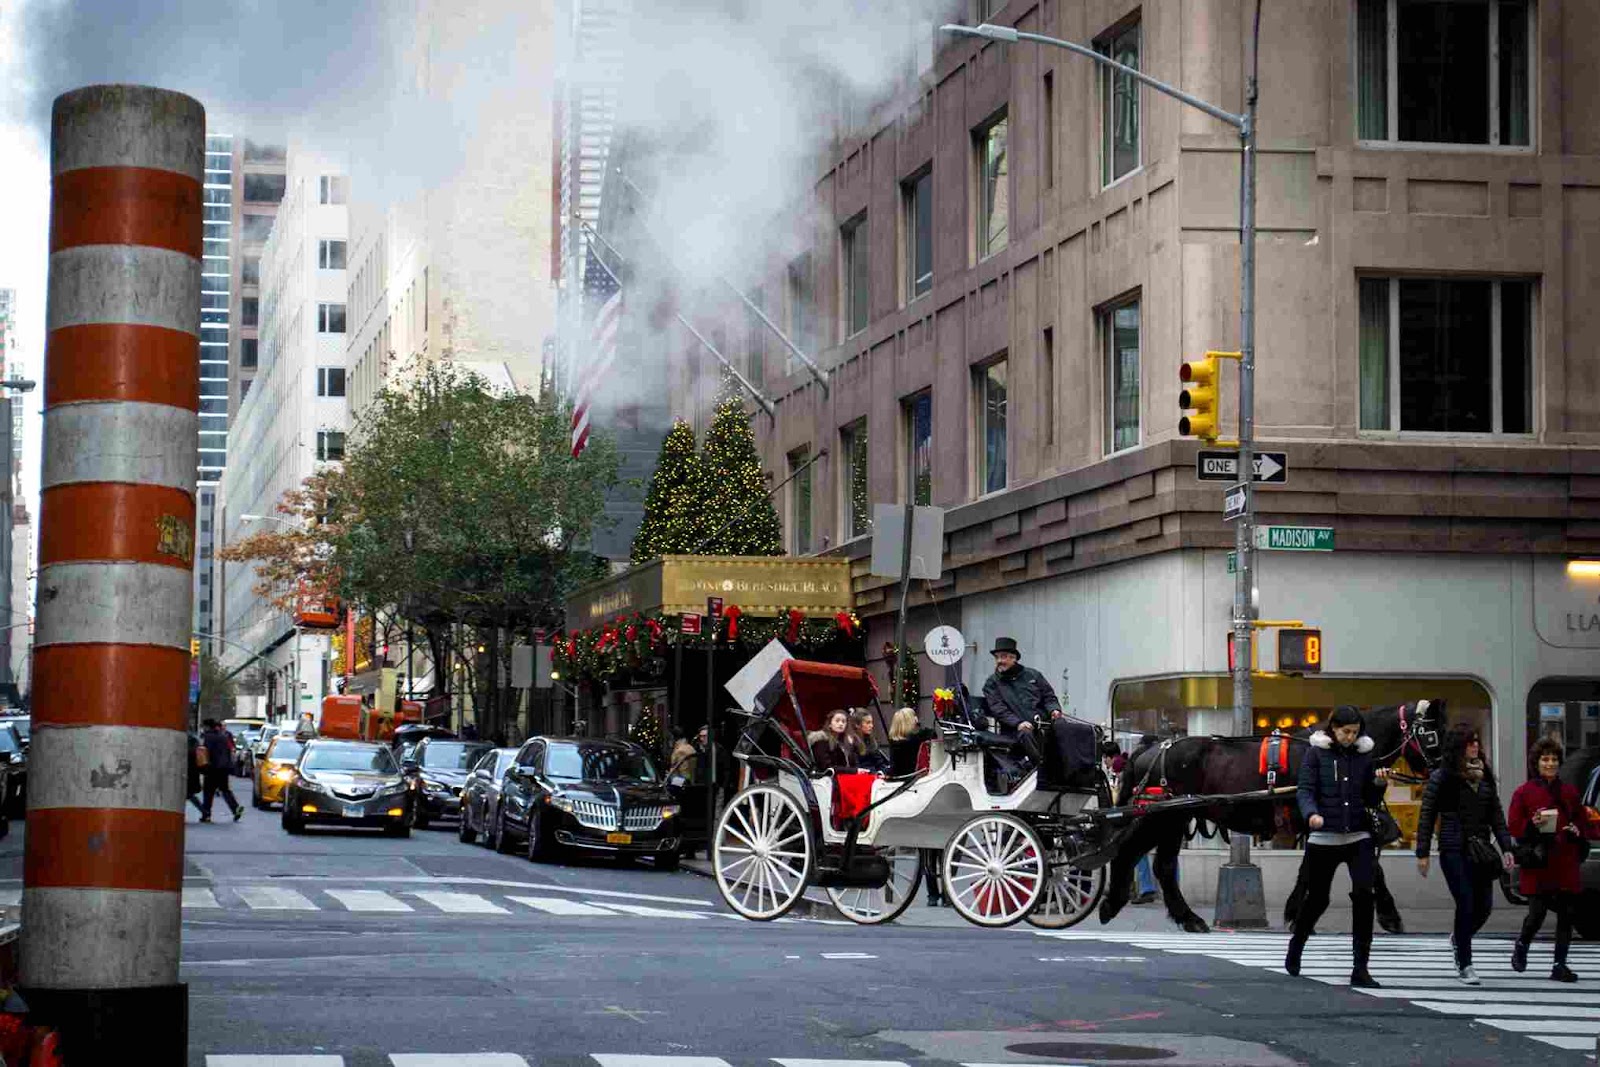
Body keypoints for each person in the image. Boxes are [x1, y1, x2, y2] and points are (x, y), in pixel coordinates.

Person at [1285, 706, 1387, 988]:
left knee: (1365, 895)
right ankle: (1297, 944)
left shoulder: (1365, 754)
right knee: (1318, 899)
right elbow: (1304, 790)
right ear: (1333, 728)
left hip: (1358, 836)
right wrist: (1311, 814)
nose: (1350, 737)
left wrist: (1379, 783)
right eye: (1345, 731)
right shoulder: (1315, 753)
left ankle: (1361, 968)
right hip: (1324, 837)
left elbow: (1370, 797)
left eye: (1355, 732)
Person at [1416, 723, 1514, 986]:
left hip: (1481, 848)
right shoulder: (1443, 776)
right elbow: (1427, 815)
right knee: (1466, 902)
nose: (1475, 747)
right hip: (1453, 848)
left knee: (1484, 907)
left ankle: (1458, 938)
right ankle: (1466, 963)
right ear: (1458, 747)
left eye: (1477, 742)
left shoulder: (1485, 776)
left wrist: (1507, 847)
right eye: (1470, 742)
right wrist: (1422, 852)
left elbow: (1496, 815)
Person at [1508, 737, 1598, 982]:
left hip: (1565, 859)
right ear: (1536, 763)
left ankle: (1559, 964)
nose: (1550, 764)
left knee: (1567, 914)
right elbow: (1514, 827)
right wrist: (1532, 824)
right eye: (1545, 759)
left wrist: (1577, 831)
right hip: (1539, 860)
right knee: (1536, 914)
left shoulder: (1568, 792)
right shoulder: (1523, 793)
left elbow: (1584, 823)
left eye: (1554, 759)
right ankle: (1522, 944)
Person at [887, 707, 943, 906]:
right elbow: (930, 733)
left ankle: (933, 894)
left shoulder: (897, 743)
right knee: (934, 850)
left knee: (928, 850)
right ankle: (938, 893)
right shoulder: (913, 740)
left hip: (908, 787)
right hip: (915, 788)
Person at [199, 719, 243, 823]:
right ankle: (235, 808)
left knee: (208, 792)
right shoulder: (223, 736)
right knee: (225, 789)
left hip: (212, 768)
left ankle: (206, 814)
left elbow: (206, 753)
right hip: (224, 768)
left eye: (204, 726)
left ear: (207, 727)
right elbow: (228, 751)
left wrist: (203, 767)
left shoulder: (208, 737)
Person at [887, 707, 936, 776]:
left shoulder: (894, 741)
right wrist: (918, 724)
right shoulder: (914, 740)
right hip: (911, 778)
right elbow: (932, 733)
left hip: (897, 777)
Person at [185, 731, 204, 816]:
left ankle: (204, 811)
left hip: (187, 772)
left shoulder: (187, 749)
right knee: (189, 795)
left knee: (188, 794)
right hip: (193, 772)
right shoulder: (196, 748)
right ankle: (204, 812)